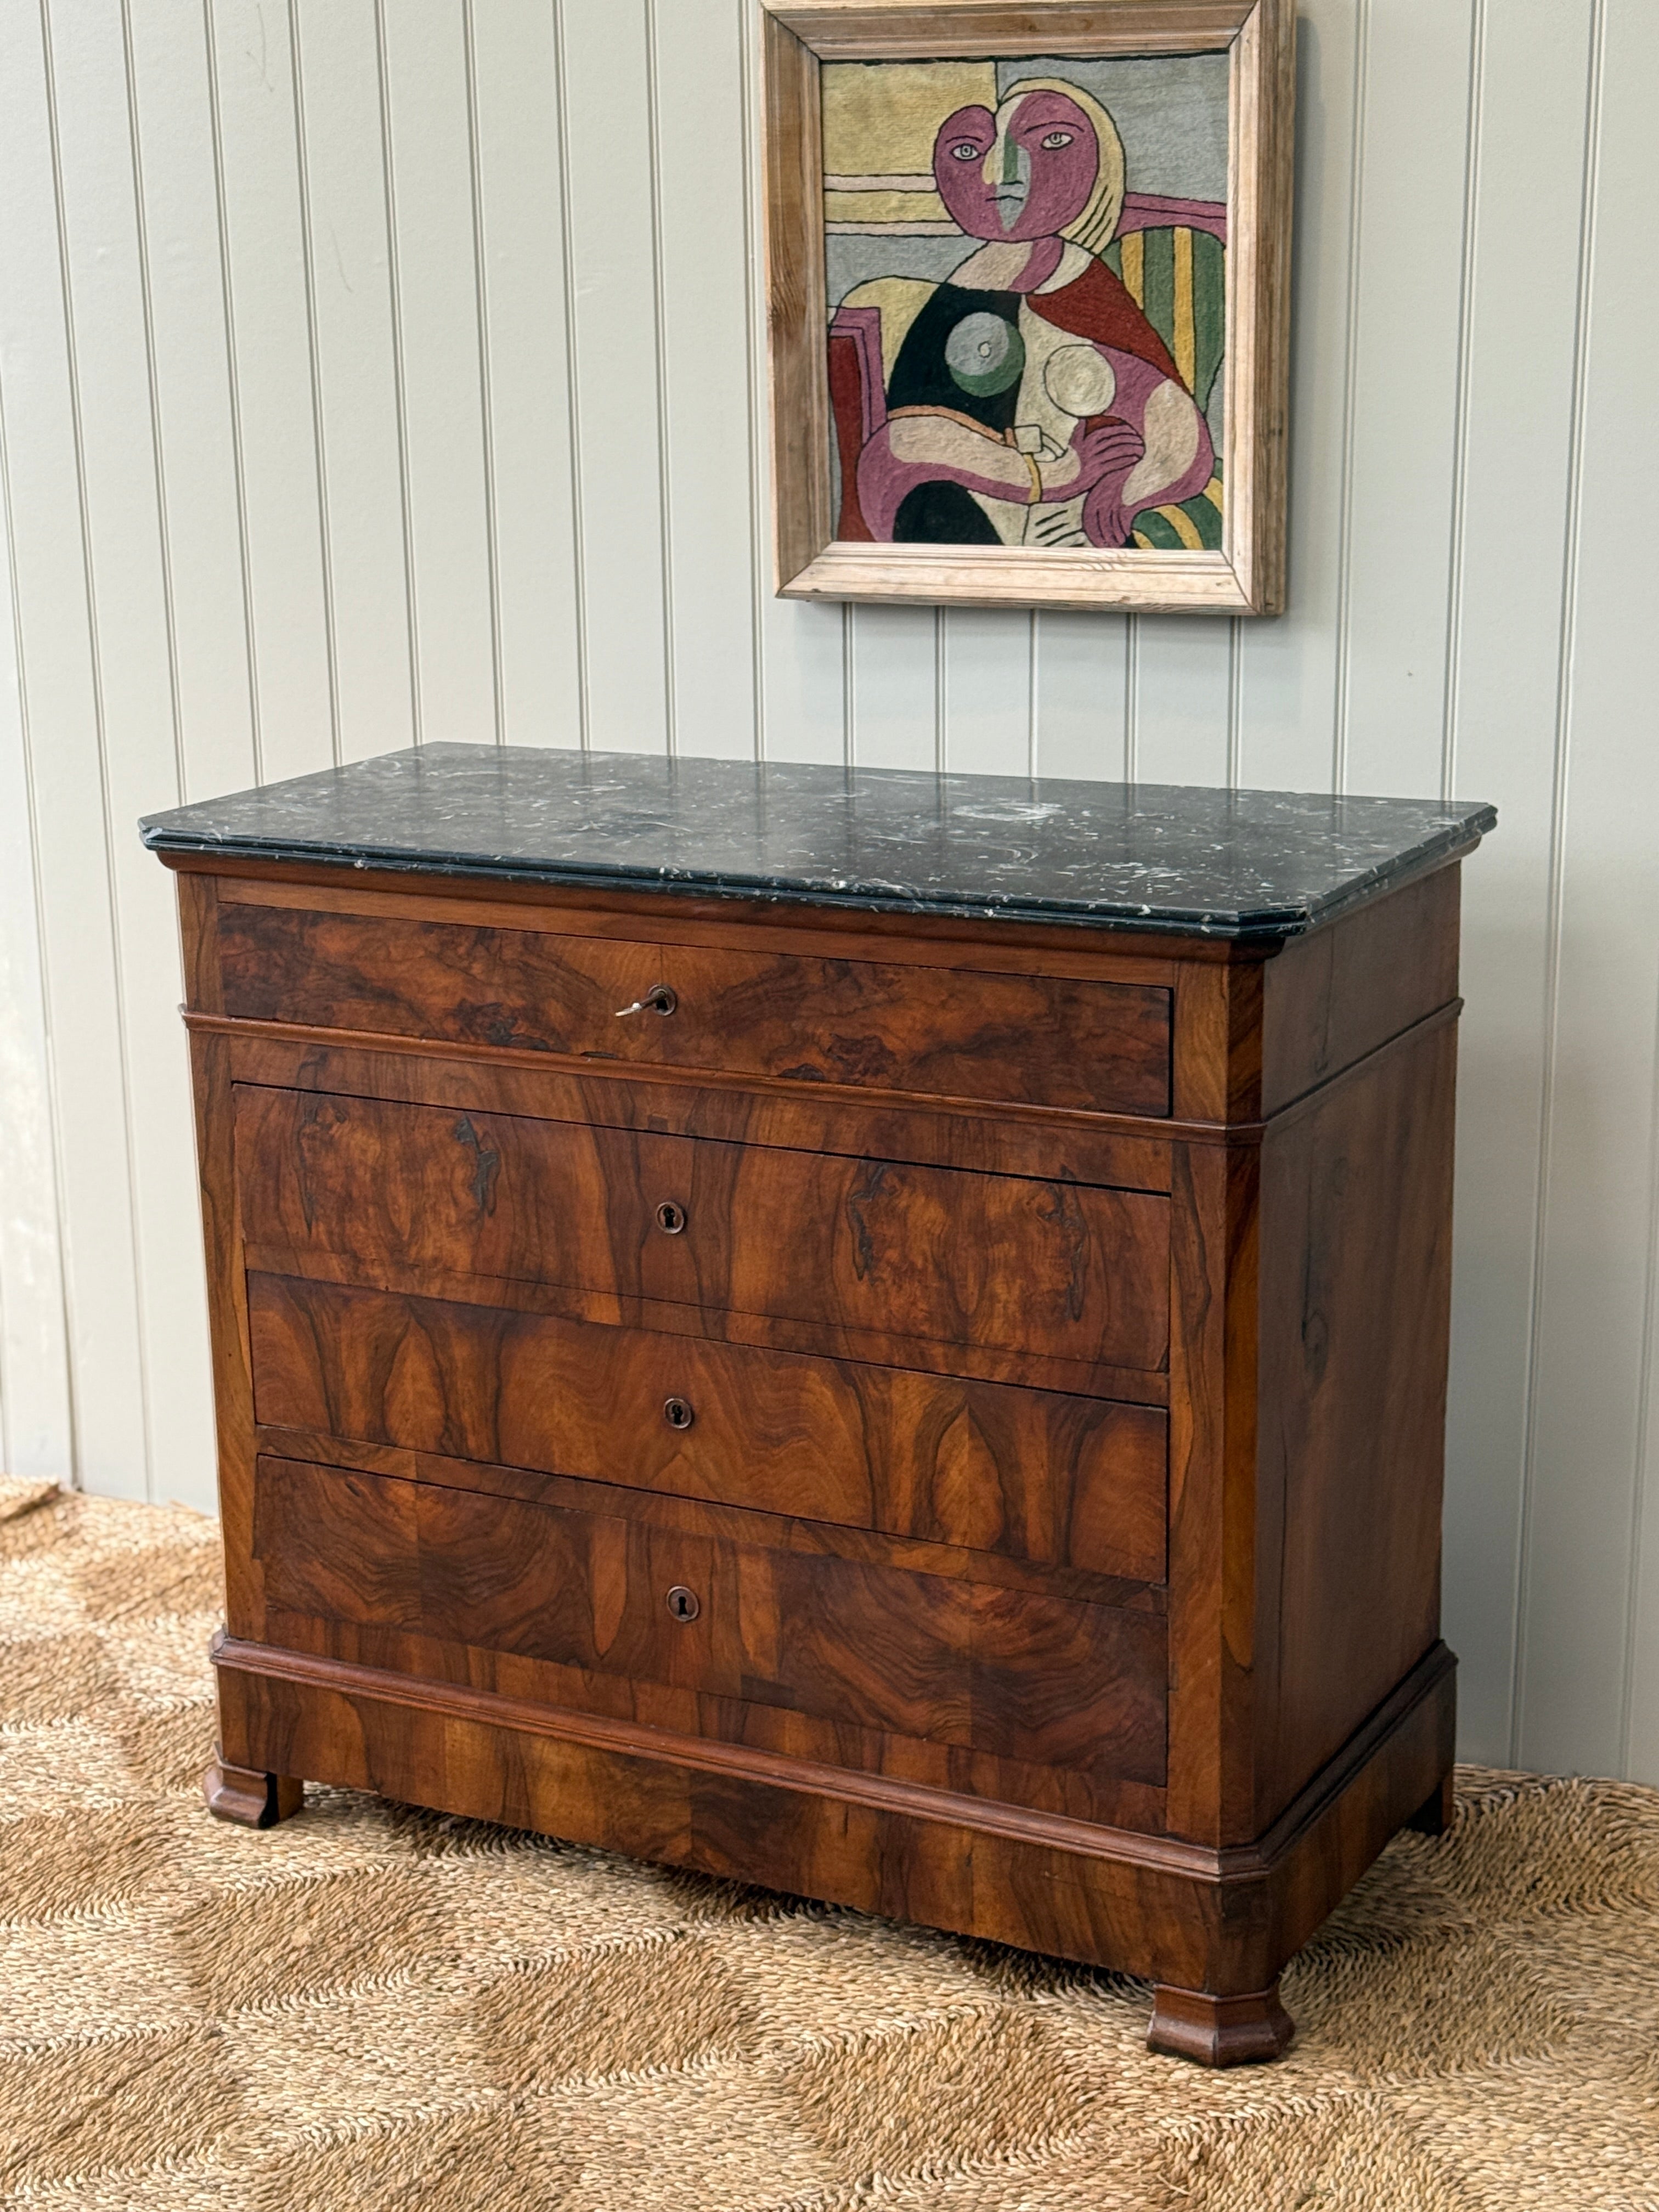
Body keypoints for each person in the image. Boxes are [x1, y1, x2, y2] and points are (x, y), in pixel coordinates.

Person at [847, 80, 1215, 549]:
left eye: (1053, 142)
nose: (1001, 175)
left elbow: (1174, 425)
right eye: (967, 151)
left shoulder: (1080, 286)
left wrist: (1128, 491)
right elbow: (906, 442)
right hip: (956, 511)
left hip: (1063, 529)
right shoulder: (961, 291)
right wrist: (1053, 474)